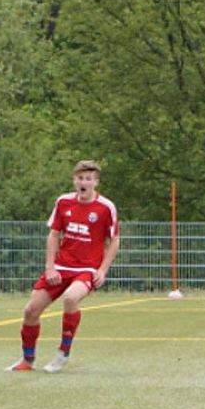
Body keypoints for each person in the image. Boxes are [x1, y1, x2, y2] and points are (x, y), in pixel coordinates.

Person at [8, 160, 120, 373]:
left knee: (70, 298)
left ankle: (62, 353)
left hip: (87, 269)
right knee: (30, 310)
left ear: (96, 182)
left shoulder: (106, 207)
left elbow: (114, 240)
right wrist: (50, 267)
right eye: (80, 178)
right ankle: (27, 360)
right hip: (61, 266)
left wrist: (103, 269)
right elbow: (53, 234)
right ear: (74, 180)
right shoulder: (63, 202)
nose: (83, 182)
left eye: (88, 179)